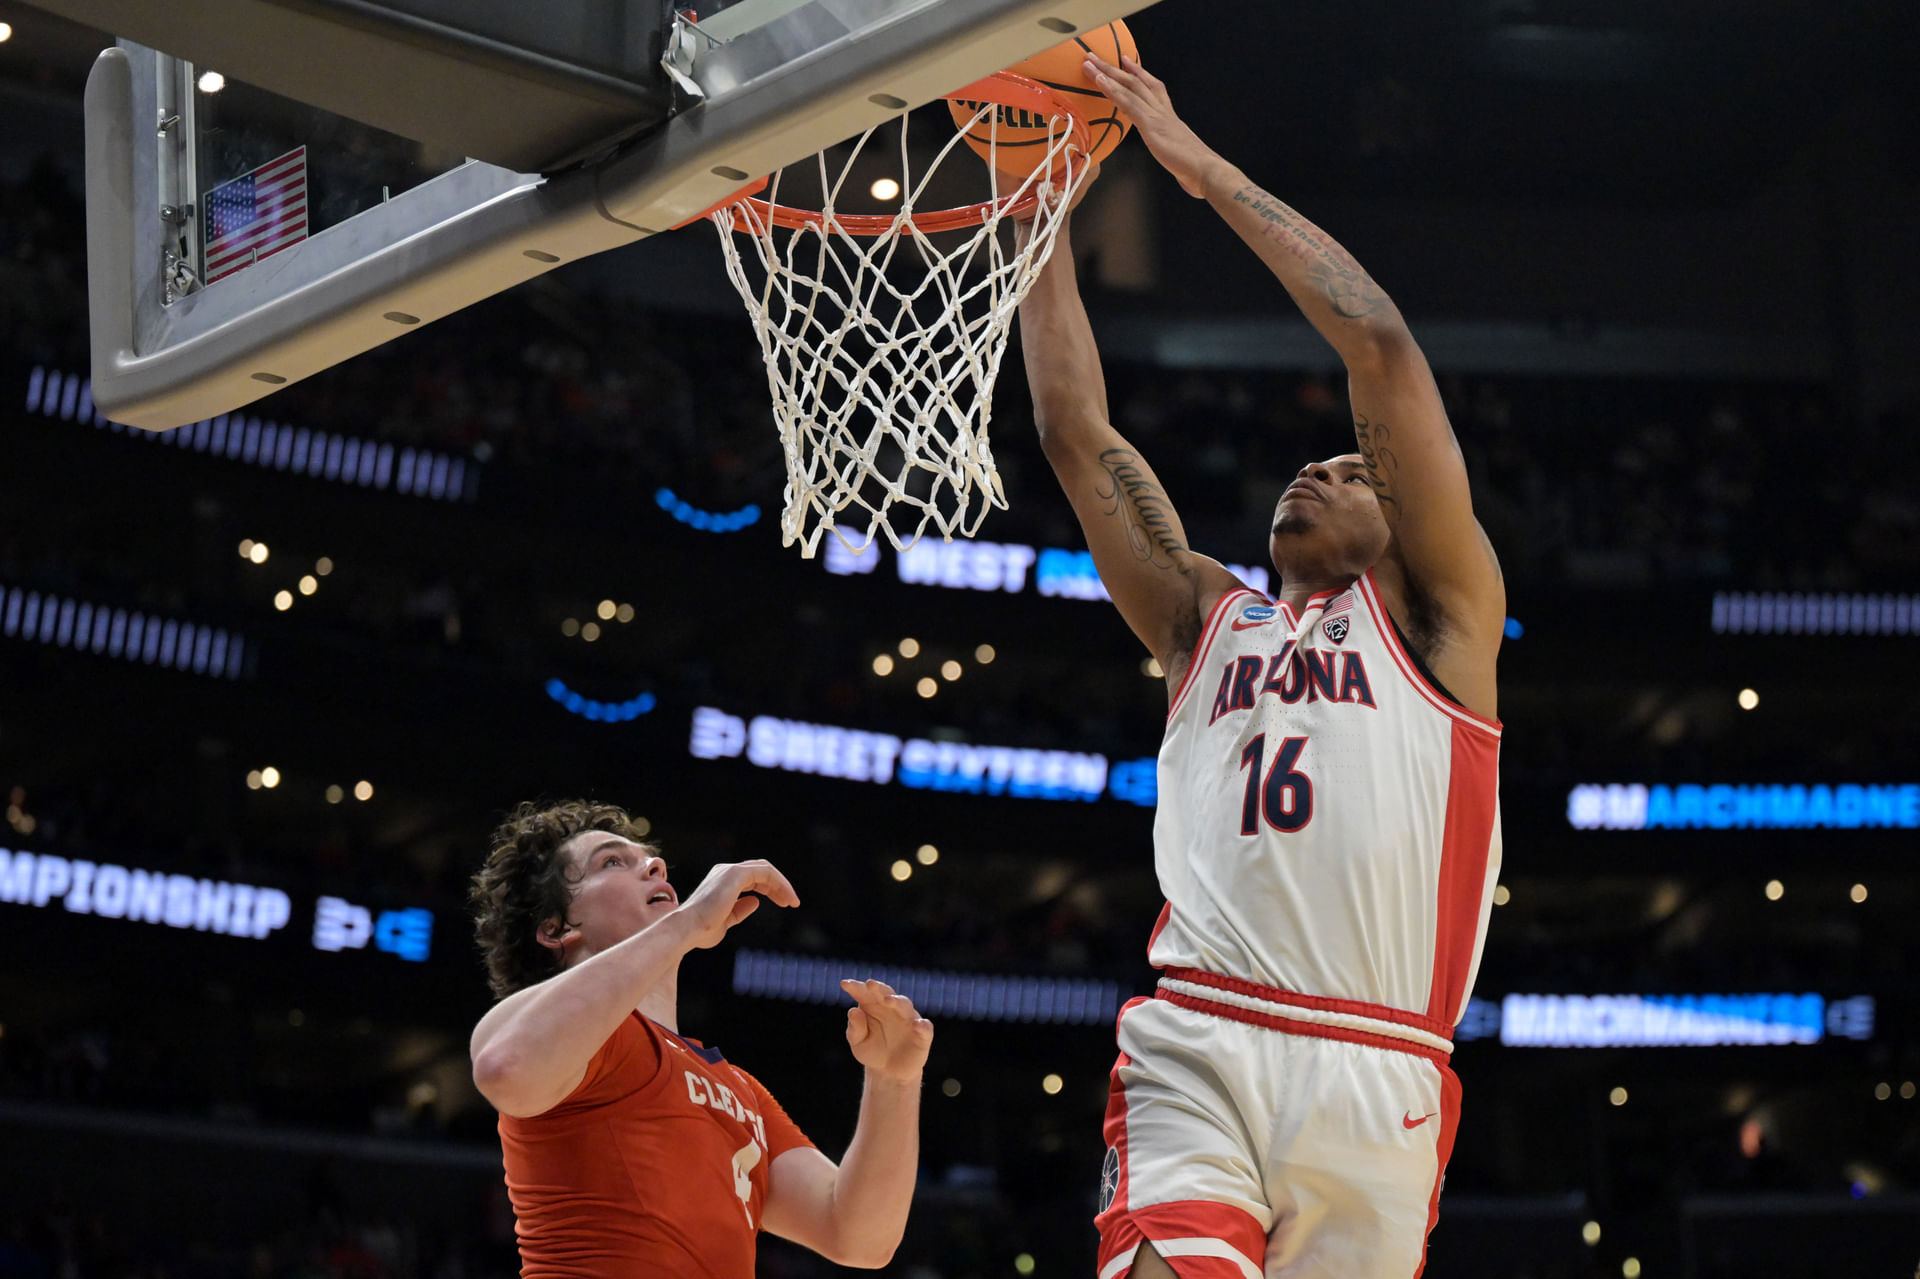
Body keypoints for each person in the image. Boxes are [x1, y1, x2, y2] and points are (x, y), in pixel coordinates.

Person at [1016, 55, 1506, 1279]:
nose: (1316, 471)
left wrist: (1196, 166)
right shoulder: (1200, 619)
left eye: (1349, 469)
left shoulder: (1445, 625)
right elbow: (1077, 435)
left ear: (1404, 517)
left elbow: (1378, 343)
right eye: (1311, 465)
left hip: (1382, 1062)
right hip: (1202, 1037)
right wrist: (1034, 199)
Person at [467, 799, 932, 1278]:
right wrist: (687, 923)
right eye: (611, 862)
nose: (654, 865)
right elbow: (506, 1068)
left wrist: (893, 1081)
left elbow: (857, 1236)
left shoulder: (739, 1089)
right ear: (555, 929)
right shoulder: (571, 1042)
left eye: (650, 858)